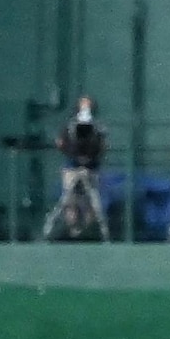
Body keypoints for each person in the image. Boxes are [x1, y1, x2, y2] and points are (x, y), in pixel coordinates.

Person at [51, 94, 109, 241]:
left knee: (90, 201)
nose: (85, 108)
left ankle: (88, 232)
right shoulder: (70, 126)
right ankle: (73, 231)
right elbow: (60, 143)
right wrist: (73, 153)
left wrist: (91, 155)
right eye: (82, 105)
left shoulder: (98, 127)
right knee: (70, 200)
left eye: (87, 105)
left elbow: (103, 146)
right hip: (71, 167)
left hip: (91, 168)